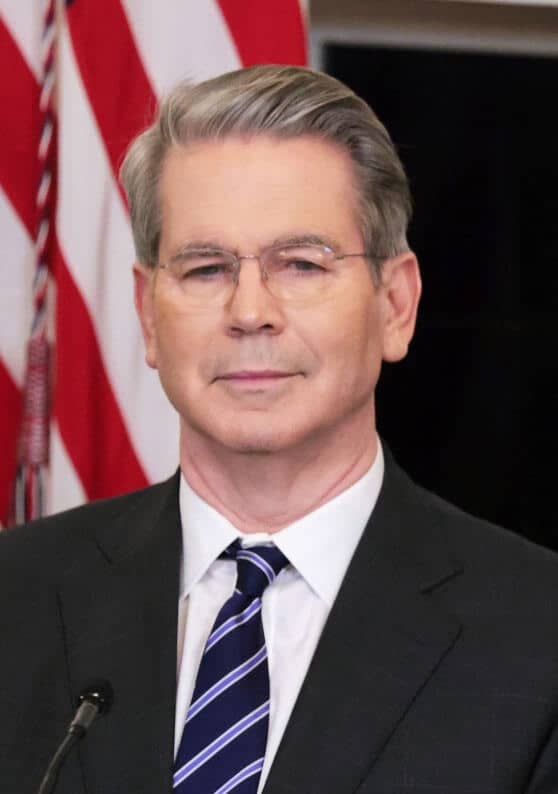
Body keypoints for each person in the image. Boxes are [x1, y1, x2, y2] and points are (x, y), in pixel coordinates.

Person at [1, 65, 557, 794]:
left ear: (395, 304)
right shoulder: (15, 598)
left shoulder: (539, 633)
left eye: (300, 264)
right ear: (148, 315)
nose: (250, 311)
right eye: (206, 269)